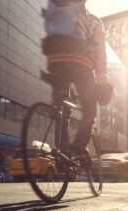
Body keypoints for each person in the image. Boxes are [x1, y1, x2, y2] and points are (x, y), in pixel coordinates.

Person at [43, 0, 108, 155]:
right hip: (81, 64)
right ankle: (77, 148)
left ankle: (61, 149)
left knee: (62, 107)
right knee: (90, 110)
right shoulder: (94, 21)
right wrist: (101, 81)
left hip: (57, 61)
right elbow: (100, 53)